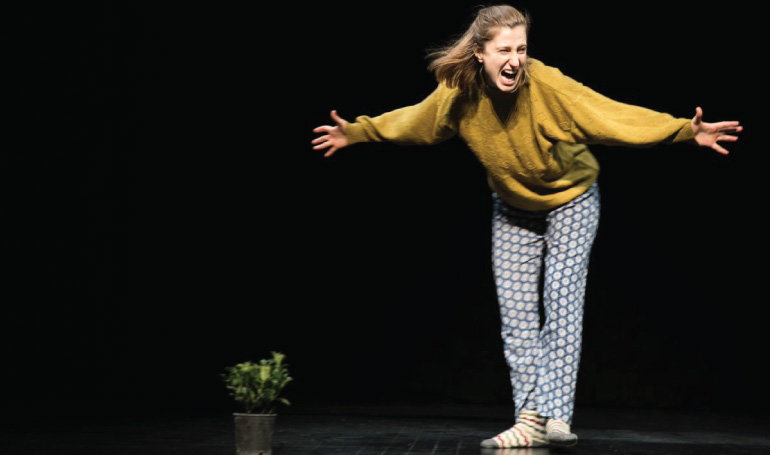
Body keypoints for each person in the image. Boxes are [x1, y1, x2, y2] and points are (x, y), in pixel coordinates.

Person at [310, 3, 742, 449]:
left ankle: (556, 415)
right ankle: (529, 420)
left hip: (572, 198)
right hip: (513, 206)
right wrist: (358, 132)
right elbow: (417, 121)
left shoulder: (547, 86)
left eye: (521, 49)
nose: (515, 60)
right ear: (480, 53)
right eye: (504, 50)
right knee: (516, 318)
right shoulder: (459, 92)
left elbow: (610, 114)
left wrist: (684, 131)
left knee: (561, 298)